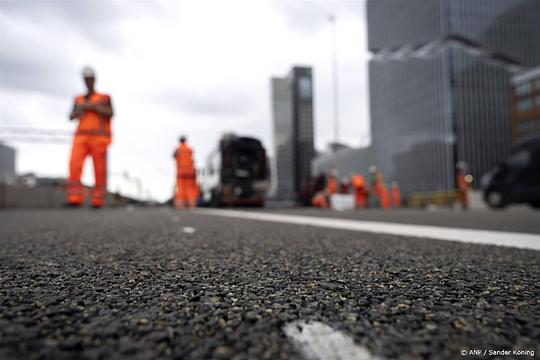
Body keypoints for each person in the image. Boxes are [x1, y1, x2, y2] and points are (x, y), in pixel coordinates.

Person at [66, 66, 114, 208]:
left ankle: (97, 200)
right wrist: (79, 110)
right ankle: (74, 198)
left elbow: (110, 113)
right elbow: (71, 116)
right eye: (86, 79)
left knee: (99, 169)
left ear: (94, 80)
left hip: (99, 138)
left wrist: (92, 107)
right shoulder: (78, 99)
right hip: (80, 137)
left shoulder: (105, 98)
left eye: (90, 79)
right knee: (74, 166)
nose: (88, 82)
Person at [174, 136, 198, 208]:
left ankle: (180, 204)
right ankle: (191, 204)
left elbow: (174, 156)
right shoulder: (189, 149)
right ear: (185, 140)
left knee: (181, 188)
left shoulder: (178, 149)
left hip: (180, 172)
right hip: (190, 172)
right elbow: (192, 160)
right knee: (190, 188)